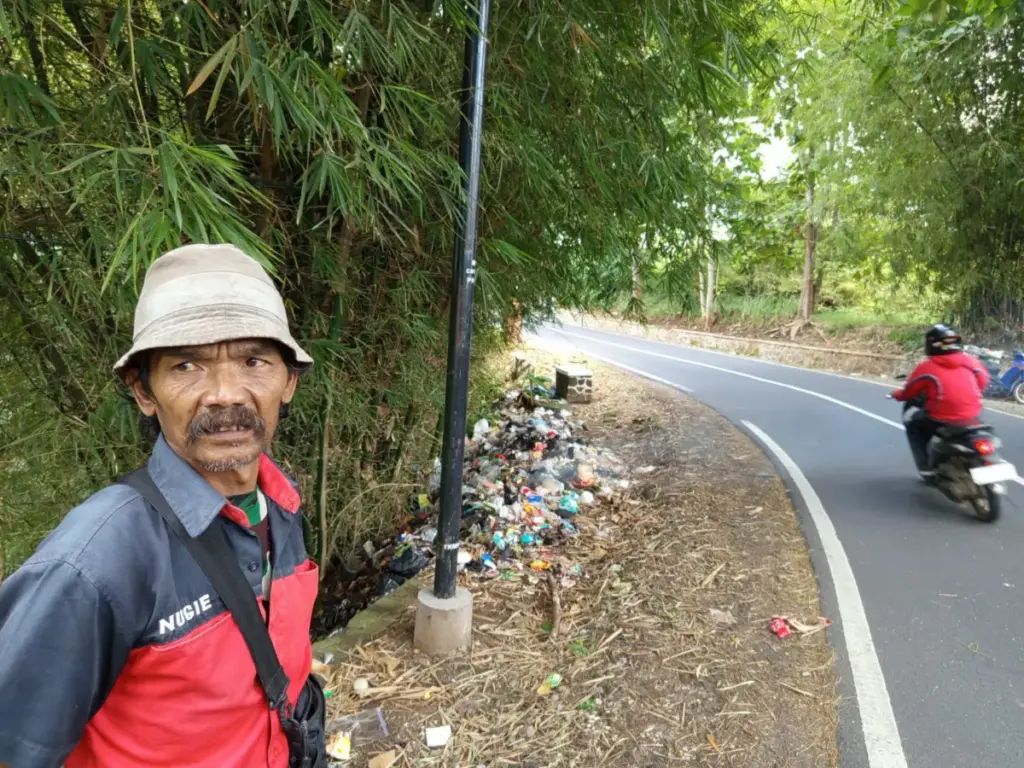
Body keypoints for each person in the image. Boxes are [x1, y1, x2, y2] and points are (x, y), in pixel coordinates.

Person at [0, 244, 320, 768]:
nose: (225, 393)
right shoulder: (95, 560)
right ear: (143, 391)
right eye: (187, 365)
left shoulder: (281, 507)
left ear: (288, 382)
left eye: (254, 361)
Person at [891, 323, 989, 479]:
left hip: (940, 416)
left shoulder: (926, 367)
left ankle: (926, 469)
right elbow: (983, 382)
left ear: (931, 344)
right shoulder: (972, 362)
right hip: (972, 416)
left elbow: (910, 391)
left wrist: (897, 395)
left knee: (913, 424)